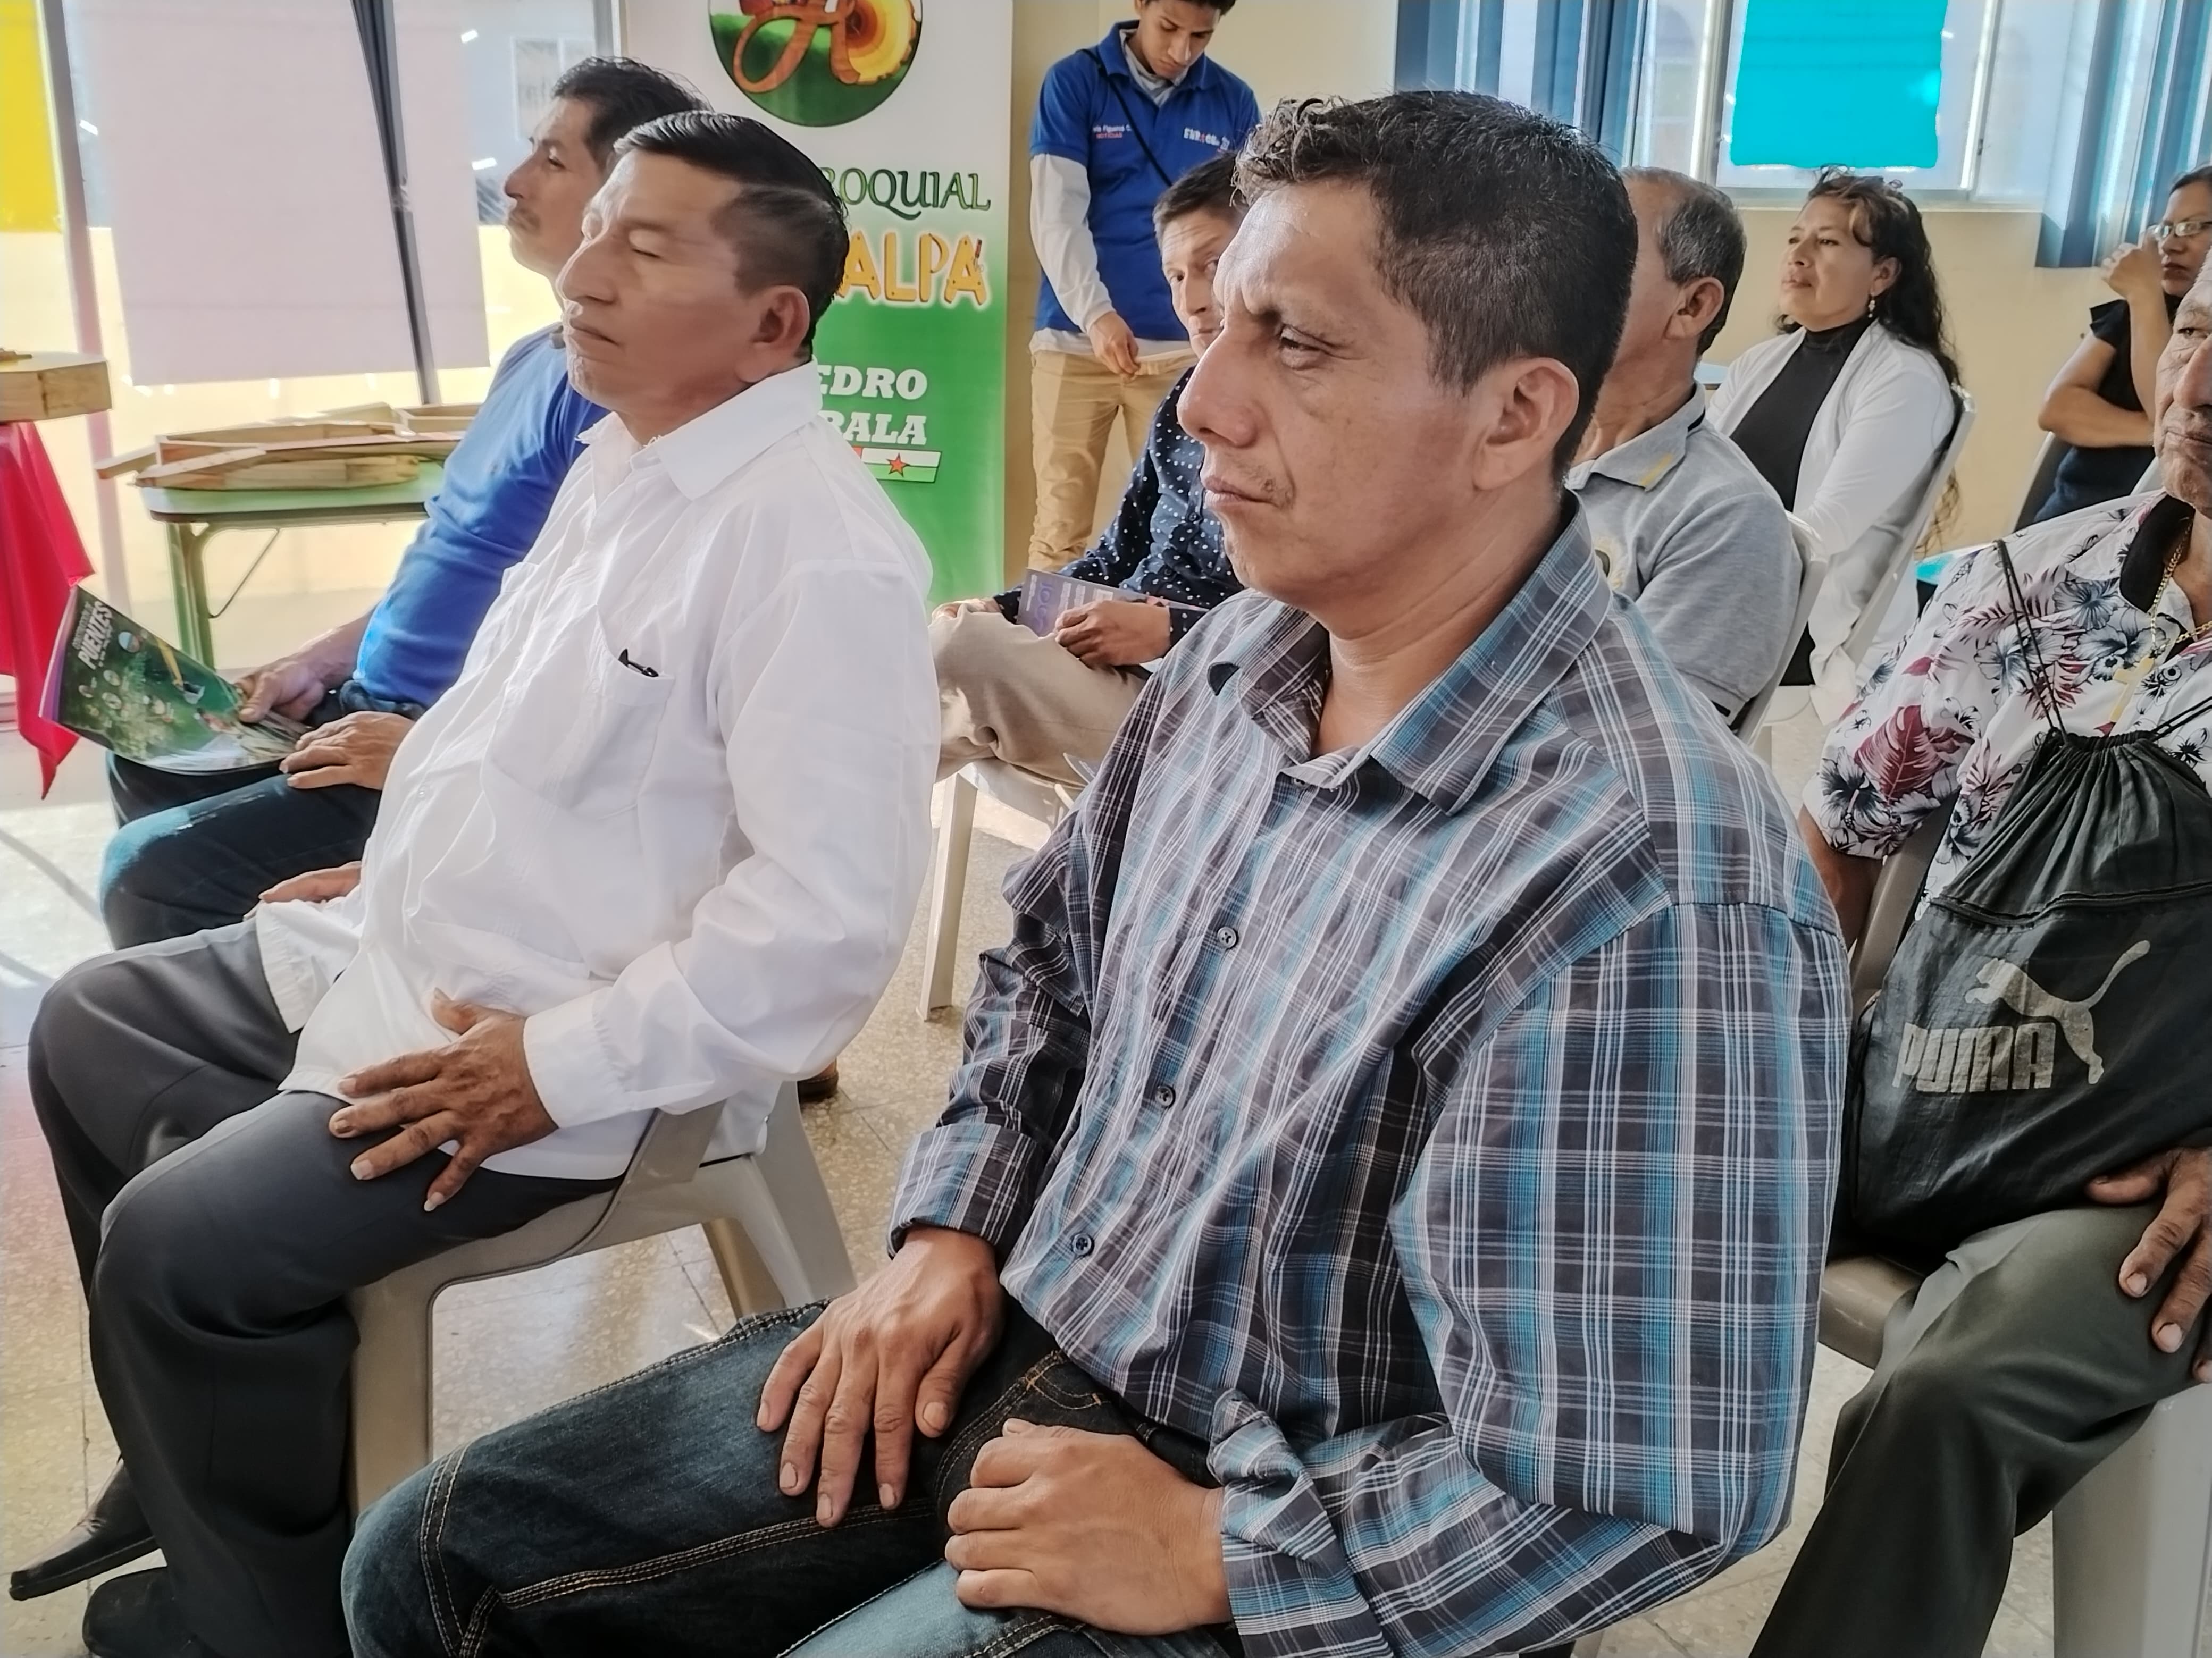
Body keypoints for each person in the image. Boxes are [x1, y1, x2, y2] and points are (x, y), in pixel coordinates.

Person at [345, 91, 1848, 1658]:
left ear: (1513, 415)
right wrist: (951, 1233)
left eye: (1294, 343)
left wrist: (1226, 1550)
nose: (1204, 404)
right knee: (435, 1562)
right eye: (1220, 324)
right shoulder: (1242, 659)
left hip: (1280, 1488)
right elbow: (1047, 968)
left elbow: (1654, 1483)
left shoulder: (1653, 882)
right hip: (1038, 1312)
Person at [17, 111, 937, 1658]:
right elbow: (519, 729)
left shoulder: (813, 550)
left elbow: (822, 929)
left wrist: (551, 1063)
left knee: (181, 1246)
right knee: (89, 1026)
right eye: (598, 228)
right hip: (414, 952)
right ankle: (200, 1460)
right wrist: (401, 871)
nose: (583, 271)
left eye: (646, 247)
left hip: (558, 1060)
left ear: (772, 323)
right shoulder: (621, 454)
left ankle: (260, 1618)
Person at [1752, 260, 2212, 1658]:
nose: (2197, 385)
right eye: (2194, 333)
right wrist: (1774, 1057)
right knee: (1556, 1184)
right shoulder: (2031, 580)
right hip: (1919, 1084)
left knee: (1942, 1393)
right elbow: (1842, 833)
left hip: (2141, 1178)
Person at [92, 57, 703, 951]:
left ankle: (270, 1017)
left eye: (551, 160)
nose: (514, 182)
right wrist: (318, 660)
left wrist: (433, 751)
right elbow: (463, 557)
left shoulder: (613, 396)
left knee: (149, 874)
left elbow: (594, 640)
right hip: (367, 697)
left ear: (623, 201)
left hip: (441, 734)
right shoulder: (532, 359)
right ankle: (205, 996)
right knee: (144, 754)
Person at [937, 154, 1242, 786]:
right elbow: (1112, 557)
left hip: (1203, 707)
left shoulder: (1320, 423)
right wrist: (1003, 606)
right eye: (1175, 275)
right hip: (1110, 670)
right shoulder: (1180, 402)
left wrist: (1168, 629)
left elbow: (1318, 622)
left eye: (1211, 266)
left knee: (955, 658)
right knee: (948, 637)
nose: (1191, 301)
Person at [1709, 167, 1959, 720]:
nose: (1798, 256)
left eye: (1826, 243)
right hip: (1730, 586)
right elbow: (1694, 479)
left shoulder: (1904, 378)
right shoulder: (1759, 362)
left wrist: (1696, 554)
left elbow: (1821, 533)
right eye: (1794, 238)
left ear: (1882, 274)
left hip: (1806, 621)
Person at [1026, 0, 1258, 571]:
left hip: (1184, 354)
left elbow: (1253, 229)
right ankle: (1041, 629)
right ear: (1140, 6)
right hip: (1076, 340)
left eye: (1200, 36)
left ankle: (1155, 632)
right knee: (1059, 530)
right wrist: (1095, 314)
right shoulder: (1076, 82)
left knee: (1179, 530)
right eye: (1168, 28)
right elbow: (1056, 214)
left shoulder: (1232, 100)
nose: (1181, 51)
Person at [1570, 167, 1797, 721]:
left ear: (1692, 306)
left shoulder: (1727, 517)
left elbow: (1645, 741)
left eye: (1604, 253)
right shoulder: (1510, 438)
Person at [2032, 165, 2212, 523]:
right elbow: (2057, 409)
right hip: (2066, 518)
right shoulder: (2132, 311)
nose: (2171, 245)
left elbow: (2170, 403)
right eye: (2167, 229)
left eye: (2192, 228)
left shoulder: (2144, 301)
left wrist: (2144, 292)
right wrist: (2157, 433)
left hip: (2146, 526)